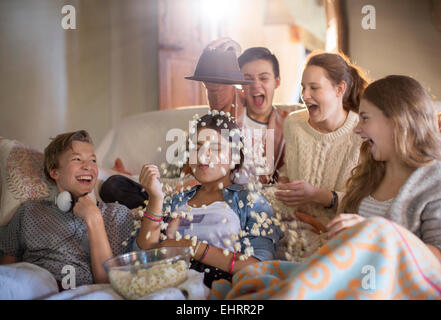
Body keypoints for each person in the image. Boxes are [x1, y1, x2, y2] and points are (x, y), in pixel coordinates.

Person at [135, 113, 283, 287]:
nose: (203, 155)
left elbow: (260, 268)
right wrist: (156, 198)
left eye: (216, 148)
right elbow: (145, 252)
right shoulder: (176, 200)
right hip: (166, 284)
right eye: (197, 148)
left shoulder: (251, 201)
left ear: (235, 156)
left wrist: (192, 247)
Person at [327, 75, 441, 264]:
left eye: (365, 118)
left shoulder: (435, 181)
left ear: (397, 120)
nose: (357, 128)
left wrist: (377, 234)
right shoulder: (370, 171)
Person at [0, 130, 135, 287]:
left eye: (93, 160)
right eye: (77, 159)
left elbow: (108, 282)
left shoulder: (117, 214)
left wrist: (94, 219)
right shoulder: (28, 212)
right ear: (55, 172)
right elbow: (7, 274)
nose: (88, 167)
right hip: (33, 285)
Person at [273, 51, 368, 260]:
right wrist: (283, 181)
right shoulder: (294, 124)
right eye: (303, 88)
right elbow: (289, 167)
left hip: (335, 236)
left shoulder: (362, 134)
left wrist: (317, 195)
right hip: (291, 225)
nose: (305, 96)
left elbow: (363, 205)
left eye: (314, 88)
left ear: (340, 89)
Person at [200, 38, 290, 184]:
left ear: (277, 82)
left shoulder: (287, 123)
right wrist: (221, 56)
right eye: (247, 79)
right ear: (240, 83)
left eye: (264, 78)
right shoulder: (231, 105)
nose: (255, 85)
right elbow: (215, 86)